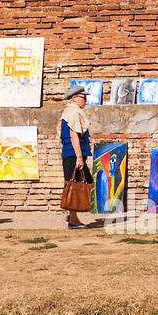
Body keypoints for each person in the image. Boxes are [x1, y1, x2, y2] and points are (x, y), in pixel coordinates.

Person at [60, 84, 92, 229]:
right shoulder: (73, 112)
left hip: (72, 154)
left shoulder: (69, 111)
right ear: (74, 98)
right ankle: (73, 219)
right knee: (76, 185)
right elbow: (74, 136)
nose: (85, 100)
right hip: (73, 155)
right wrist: (79, 157)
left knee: (77, 184)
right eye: (83, 97)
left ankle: (72, 215)